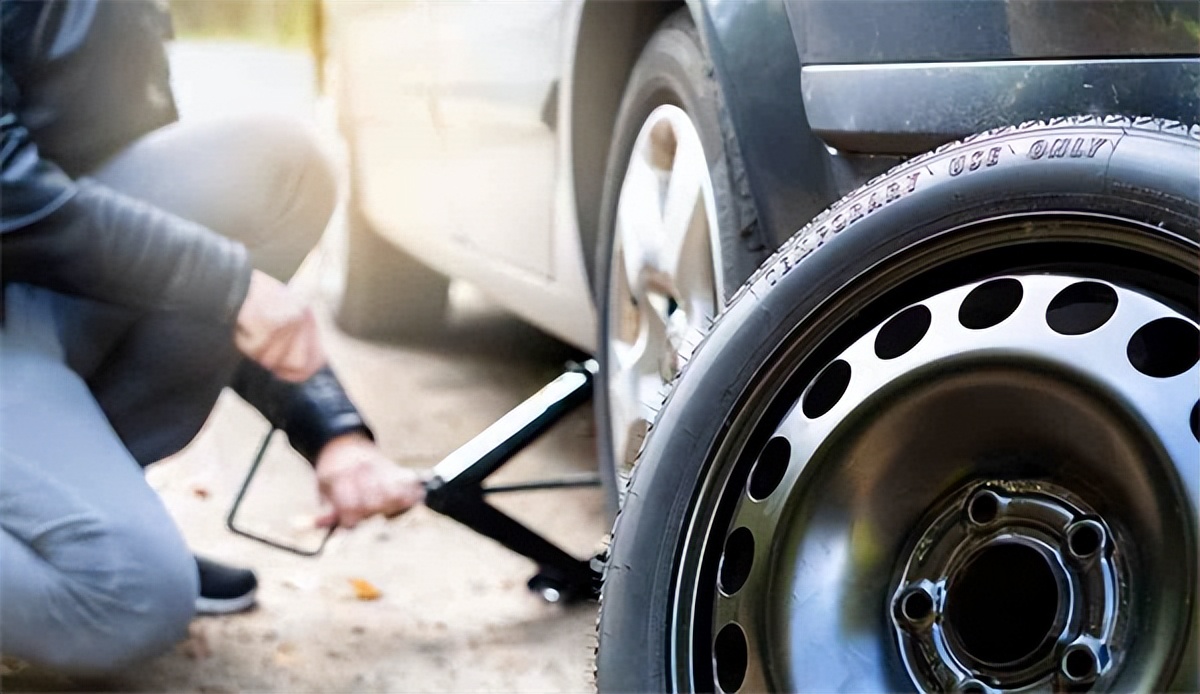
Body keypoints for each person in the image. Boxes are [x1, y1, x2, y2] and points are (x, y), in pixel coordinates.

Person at [0, 0, 426, 675]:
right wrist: (225, 283)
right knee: (132, 597)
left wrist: (332, 432)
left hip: (29, 294)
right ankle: (69, 540)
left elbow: (184, 257)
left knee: (277, 168)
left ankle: (62, 515)